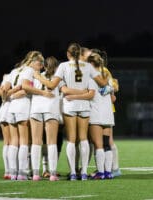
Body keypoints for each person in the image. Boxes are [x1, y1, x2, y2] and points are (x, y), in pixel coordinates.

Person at [33, 43, 108, 181]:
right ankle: (84, 172)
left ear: (68, 54)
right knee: (84, 139)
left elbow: (51, 85)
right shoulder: (88, 66)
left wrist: (38, 77)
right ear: (80, 54)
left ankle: (73, 172)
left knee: (71, 140)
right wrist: (85, 90)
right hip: (85, 105)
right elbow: (103, 83)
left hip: (70, 106)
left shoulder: (63, 66)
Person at [6, 51, 54, 181]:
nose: (41, 67)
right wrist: (43, 93)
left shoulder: (15, 70)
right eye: (40, 64)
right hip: (23, 107)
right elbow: (26, 87)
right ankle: (22, 173)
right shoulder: (29, 70)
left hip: (11, 107)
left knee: (14, 142)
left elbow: (5, 90)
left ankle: (11, 172)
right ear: (33, 62)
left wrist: (11, 94)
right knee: (24, 142)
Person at [30, 56, 61, 181]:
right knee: (51, 142)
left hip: (36, 108)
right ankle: (52, 174)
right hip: (51, 108)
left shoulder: (36, 75)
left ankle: (36, 174)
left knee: (36, 142)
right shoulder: (59, 78)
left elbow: (28, 88)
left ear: (44, 66)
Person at [87, 53, 114, 179]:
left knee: (98, 145)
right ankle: (108, 172)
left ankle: (100, 173)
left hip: (96, 113)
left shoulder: (91, 77)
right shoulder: (107, 76)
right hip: (108, 113)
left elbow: (90, 95)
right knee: (106, 144)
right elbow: (113, 97)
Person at [0, 73, 12, 179]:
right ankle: (11, 171)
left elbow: (0, 91)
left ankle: (8, 171)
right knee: (13, 142)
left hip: (4, 109)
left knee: (8, 142)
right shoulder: (15, 75)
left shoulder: (10, 75)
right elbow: (1, 91)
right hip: (10, 109)